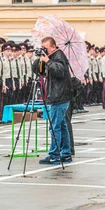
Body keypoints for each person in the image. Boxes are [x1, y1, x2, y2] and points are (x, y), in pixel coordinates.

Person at [33, 36, 73, 165]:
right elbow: (38, 71)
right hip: (58, 95)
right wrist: (40, 59)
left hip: (59, 96)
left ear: (53, 47)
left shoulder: (59, 55)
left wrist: (47, 61)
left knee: (55, 127)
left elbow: (60, 71)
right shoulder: (52, 56)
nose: (45, 50)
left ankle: (55, 154)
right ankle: (66, 153)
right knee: (61, 126)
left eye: (46, 48)